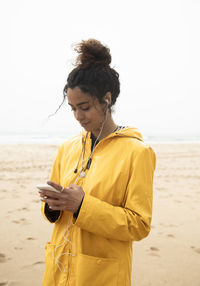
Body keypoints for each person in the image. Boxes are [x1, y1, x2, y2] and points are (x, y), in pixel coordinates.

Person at [38, 39, 156, 286]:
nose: (78, 117)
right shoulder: (67, 148)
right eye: (72, 109)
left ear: (107, 99)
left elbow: (139, 225)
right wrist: (53, 206)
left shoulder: (137, 152)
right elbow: (56, 213)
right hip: (58, 271)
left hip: (102, 276)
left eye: (85, 107)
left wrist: (83, 206)